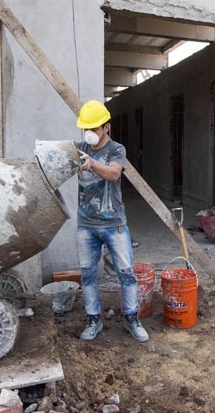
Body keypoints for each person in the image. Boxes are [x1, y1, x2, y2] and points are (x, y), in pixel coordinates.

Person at [74, 99, 149, 342]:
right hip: (86, 224)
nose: (90, 133)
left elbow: (114, 174)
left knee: (126, 273)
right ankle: (93, 320)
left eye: (95, 128)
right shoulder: (78, 148)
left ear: (107, 126)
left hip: (113, 224)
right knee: (87, 275)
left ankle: (131, 319)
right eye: (87, 128)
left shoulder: (117, 150)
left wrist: (92, 162)